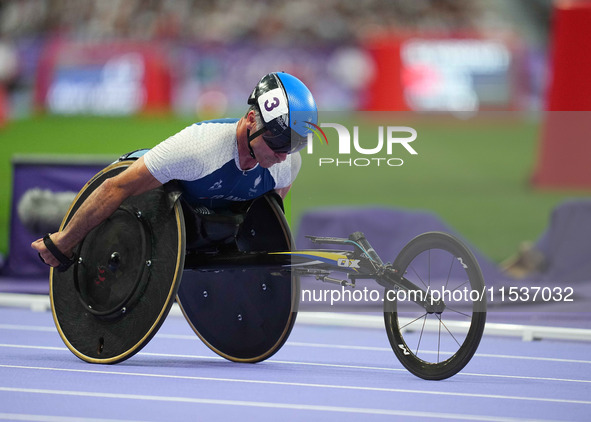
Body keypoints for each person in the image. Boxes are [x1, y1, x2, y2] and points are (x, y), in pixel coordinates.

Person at [32, 71, 317, 270]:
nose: (282, 155)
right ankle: (41, 207)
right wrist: (62, 242)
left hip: (193, 219)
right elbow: (116, 188)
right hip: (139, 201)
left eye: (293, 146)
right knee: (51, 213)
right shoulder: (199, 149)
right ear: (252, 119)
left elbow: (262, 223)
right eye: (278, 142)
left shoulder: (286, 163)